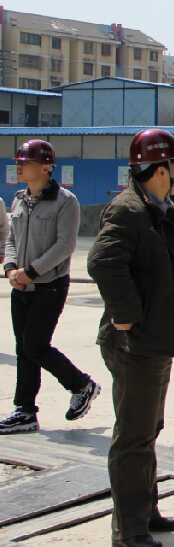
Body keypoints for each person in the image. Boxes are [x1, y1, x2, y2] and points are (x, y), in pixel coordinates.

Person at [88, 129, 174, 547]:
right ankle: (128, 529)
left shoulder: (160, 210)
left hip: (155, 339)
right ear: (160, 170)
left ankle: (146, 511)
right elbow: (103, 261)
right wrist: (126, 312)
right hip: (134, 343)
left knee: (148, 431)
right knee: (134, 436)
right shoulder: (129, 210)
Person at [1, 140, 97, 436]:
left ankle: (82, 385)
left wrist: (30, 272)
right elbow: (12, 239)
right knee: (23, 349)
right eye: (18, 161)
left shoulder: (66, 201)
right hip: (21, 286)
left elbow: (65, 245)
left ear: (45, 167)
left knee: (35, 346)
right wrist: (11, 268)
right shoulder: (19, 199)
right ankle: (25, 412)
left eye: (25, 162)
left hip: (49, 286)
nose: (18, 166)